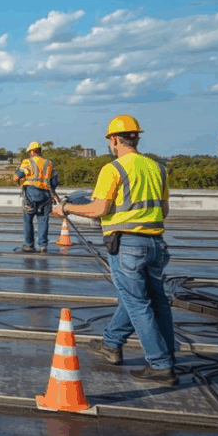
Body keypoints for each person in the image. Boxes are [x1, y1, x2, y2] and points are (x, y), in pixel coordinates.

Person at [54, 115, 177, 386]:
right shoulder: (158, 168)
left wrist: (66, 208)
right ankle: (112, 343)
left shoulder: (114, 169)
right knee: (155, 301)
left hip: (128, 245)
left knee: (136, 303)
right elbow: (164, 210)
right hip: (156, 243)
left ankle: (160, 364)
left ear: (115, 140)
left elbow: (99, 209)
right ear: (136, 138)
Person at [12, 141, 60, 253]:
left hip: (31, 193)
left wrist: (15, 179)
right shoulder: (49, 163)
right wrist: (54, 194)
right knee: (43, 220)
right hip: (46, 195)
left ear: (32, 151)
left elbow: (17, 176)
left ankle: (29, 244)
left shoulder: (27, 163)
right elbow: (55, 181)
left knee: (28, 220)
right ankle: (43, 245)